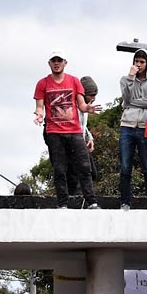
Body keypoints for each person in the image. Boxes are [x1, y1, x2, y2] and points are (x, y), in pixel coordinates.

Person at [33, 50, 101, 210]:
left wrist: (88, 108)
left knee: (85, 167)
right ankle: (62, 203)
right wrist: (39, 115)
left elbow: (81, 105)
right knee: (59, 169)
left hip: (74, 131)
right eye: (53, 61)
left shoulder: (74, 81)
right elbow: (39, 106)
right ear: (49, 63)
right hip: (55, 131)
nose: (56, 63)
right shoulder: (42, 84)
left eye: (59, 60)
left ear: (65, 62)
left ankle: (92, 201)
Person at [118, 49, 147, 210]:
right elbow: (127, 99)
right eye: (136, 61)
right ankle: (125, 202)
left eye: (142, 62)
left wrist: (136, 102)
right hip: (127, 126)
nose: (138, 65)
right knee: (125, 167)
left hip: (145, 126)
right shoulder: (125, 79)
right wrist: (131, 78)